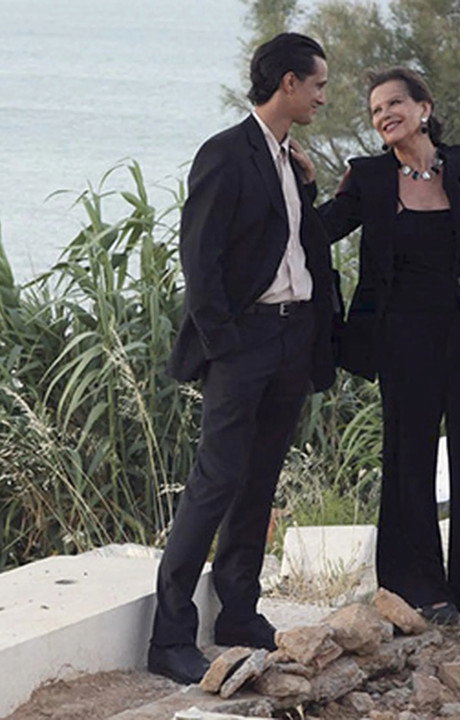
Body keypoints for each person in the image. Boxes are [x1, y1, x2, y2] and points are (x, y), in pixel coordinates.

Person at [148, 32, 343, 684]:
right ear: (288, 83)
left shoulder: (290, 160)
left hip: (292, 339)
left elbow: (293, 244)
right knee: (215, 483)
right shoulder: (225, 153)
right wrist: (227, 346)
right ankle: (170, 637)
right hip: (244, 344)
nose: (322, 97)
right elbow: (199, 261)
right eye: (317, 84)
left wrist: (310, 189)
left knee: (260, 482)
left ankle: (237, 613)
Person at [318, 67, 460, 624]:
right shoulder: (368, 178)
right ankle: (417, 585)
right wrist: (300, 183)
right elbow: (317, 232)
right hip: (403, 342)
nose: (384, 115)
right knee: (409, 462)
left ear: (424, 108)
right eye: (375, 111)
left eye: (393, 104)